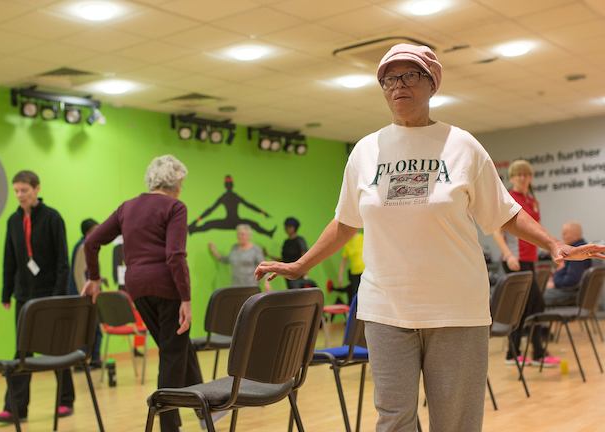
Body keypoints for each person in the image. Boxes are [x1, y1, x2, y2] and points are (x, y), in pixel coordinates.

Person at [254, 44, 605, 432]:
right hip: (386, 307)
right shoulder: (365, 152)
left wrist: (553, 244)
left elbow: (504, 212)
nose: (398, 85)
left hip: (456, 308)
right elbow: (345, 222)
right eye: (389, 79)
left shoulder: (462, 146)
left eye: (410, 75)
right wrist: (300, 265)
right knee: (394, 420)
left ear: (433, 83)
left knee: (455, 422)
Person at [82, 155, 205, 432]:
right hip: (167, 285)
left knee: (177, 345)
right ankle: (170, 425)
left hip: (136, 287)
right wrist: (186, 298)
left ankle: (206, 407)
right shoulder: (175, 206)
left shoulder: (127, 207)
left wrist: (94, 278)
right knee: (172, 352)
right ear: (176, 183)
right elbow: (175, 255)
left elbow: (91, 242)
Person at [0, 170, 75, 423]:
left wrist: (57, 297)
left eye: (24, 190)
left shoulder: (52, 218)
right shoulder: (13, 221)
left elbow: (63, 261)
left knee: (57, 349)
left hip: (49, 295)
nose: (20, 195)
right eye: (16, 191)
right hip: (24, 295)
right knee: (23, 351)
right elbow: (9, 258)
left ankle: (65, 400)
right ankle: (15, 408)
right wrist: (6, 291)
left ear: (37, 189)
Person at [492, 160, 556, 366]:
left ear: (530, 177)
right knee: (533, 304)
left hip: (529, 260)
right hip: (515, 261)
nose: (522, 178)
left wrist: (552, 249)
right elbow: (497, 232)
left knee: (528, 306)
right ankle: (533, 352)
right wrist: (508, 255)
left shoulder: (532, 200)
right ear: (511, 178)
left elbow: (536, 230)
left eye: (525, 174)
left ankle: (518, 353)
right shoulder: (509, 198)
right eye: (517, 174)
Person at [68, 218, 104, 369]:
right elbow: (78, 274)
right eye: (96, 230)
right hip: (84, 296)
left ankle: (93, 360)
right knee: (87, 330)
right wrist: (85, 296)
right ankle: (82, 362)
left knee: (92, 329)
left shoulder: (88, 245)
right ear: (88, 232)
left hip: (85, 295)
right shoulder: (84, 246)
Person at [544, 221, 592, 307]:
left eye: (565, 233)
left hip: (572, 294)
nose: (562, 236)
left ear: (575, 234)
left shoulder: (577, 251)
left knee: (536, 297)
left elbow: (571, 281)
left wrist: (555, 281)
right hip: (575, 292)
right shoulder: (581, 248)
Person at [266, 217, 309, 289]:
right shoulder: (286, 242)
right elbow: (284, 259)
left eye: (289, 226)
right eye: (286, 226)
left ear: (294, 228)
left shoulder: (300, 240)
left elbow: (305, 256)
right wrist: (268, 255)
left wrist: (305, 273)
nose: (286, 228)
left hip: (298, 274)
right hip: (287, 273)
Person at [337, 228, 364, 300]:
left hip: (364, 272)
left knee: (365, 294)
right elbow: (343, 262)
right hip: (354, 274)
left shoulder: (362, 238)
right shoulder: (347, 243)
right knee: (355, 296)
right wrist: (340, 277)